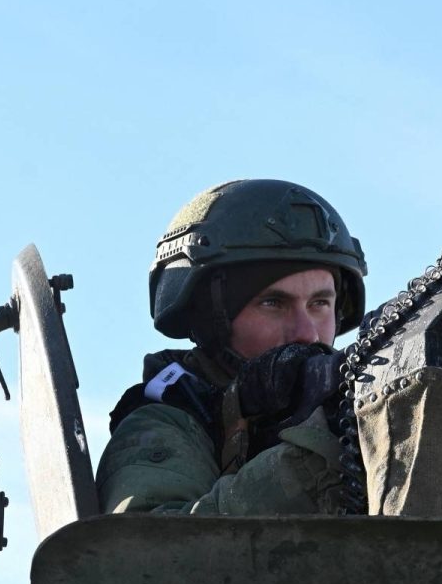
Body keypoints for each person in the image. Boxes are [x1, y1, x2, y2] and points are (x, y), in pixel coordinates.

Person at [96, 179, 366, 515]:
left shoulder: (355, 407)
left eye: (320, 303)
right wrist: (314, 458)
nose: (307, 334)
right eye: (273, 303)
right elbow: (147, 542)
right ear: (213, 319)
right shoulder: (167, 424)